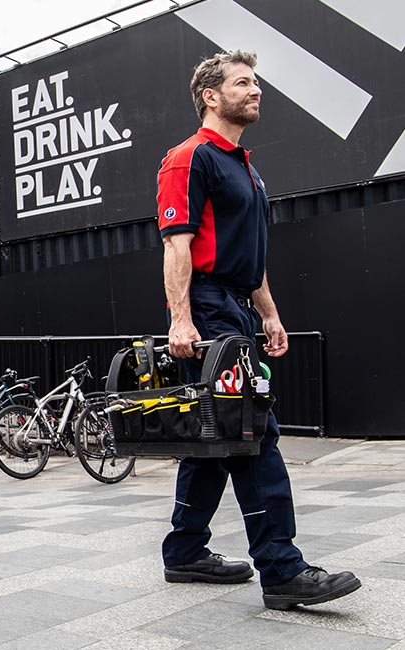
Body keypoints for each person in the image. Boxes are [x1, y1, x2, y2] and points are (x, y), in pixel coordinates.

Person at [156, 50, 361, 610]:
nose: (256, 90)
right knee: (252, 432)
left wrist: (268, 312)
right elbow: (176, 246)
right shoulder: (188, 159)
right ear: (210, 96)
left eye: (256, 82)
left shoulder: (245, 166)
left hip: (238, 306)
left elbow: (252, 255)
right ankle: (282, 569)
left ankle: (185, 552)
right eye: (243, 83)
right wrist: (181, 317)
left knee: (216, 434)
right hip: (206, 306)